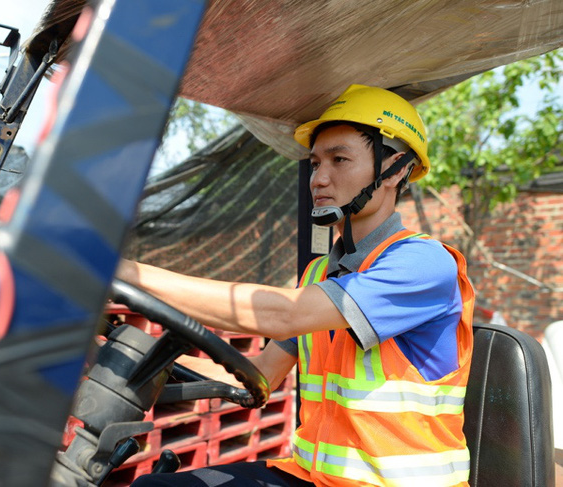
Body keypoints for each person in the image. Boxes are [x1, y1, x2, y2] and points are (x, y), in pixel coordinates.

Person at [119, 84, 475, 486]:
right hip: (311, 477)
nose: (319, 178)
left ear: (396, 169)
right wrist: (130, 351)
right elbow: (258, 374)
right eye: (315, 162)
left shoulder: (423, 264)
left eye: (340, 160)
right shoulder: (319, 276)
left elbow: (284, 315)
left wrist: (124, 273)